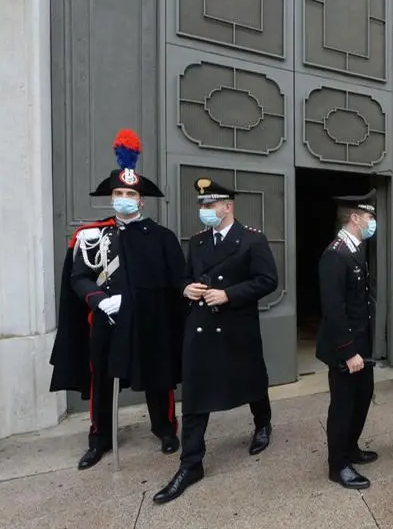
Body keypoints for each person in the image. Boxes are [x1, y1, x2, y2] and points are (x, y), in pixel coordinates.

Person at [50, 129, 183, 470]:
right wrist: (97, 300)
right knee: (102, 379)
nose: (124, 197)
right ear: (112, 196)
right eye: (119, 192)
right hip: (107, 320)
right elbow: (77, 277)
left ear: (141, 200)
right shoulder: (92, 235)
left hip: (149, 320)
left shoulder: (161, 237)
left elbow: (174, 282)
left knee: (157, 373)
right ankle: (100, 438)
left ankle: (166, 429)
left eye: (130, 193)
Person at [153, 178, 279, 503]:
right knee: (195, 391)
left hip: (237, 325)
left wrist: (229, 294)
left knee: (252, 380)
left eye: (211, 205)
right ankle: (191, 462)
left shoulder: (252, 240)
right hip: (200, 326)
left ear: (228, 206)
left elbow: (268, 281)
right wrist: (186, 288)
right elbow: (184, 276)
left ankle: (262, 423)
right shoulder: (196, 243)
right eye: (202, 205)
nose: (205, 210)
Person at [316, 190, 379, 489]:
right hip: (346, 348)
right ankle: (337, 464)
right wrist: (348, 352)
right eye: (369, 216)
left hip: (360, 344)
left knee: (362, 397)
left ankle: (350, 448)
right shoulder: (335, 254)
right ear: (355, 218)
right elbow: (334, 310)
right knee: (343, 405)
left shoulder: (355, 248)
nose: (372, 222)